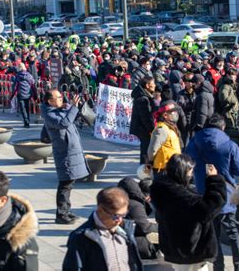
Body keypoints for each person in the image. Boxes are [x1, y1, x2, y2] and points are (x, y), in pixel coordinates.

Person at [186, 114, 239, 271]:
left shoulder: (194, 142)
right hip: (226, 192)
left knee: (212, 234)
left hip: (203, 192)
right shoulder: (230, 144)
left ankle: (218, 267)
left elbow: (186, 163)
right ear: (223, 127)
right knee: (234, 232)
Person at [150, 154, 227, 271]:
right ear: (183, 171)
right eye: (190, 170)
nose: (191, 174)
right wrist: (214, 180)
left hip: (175, 249)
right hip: (191, 251)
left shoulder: (162, 190)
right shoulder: (185, 199)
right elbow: (212, 206)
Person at [62, 187, 143, 271]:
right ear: (100, 210)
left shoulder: (126, 229)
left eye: (123, 215)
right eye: (116, 216)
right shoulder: (81, 237)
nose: (120, 220)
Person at [42, 89, 90, 224]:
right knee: (65, 183)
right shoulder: (49, 114)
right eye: (58, 98)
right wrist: (73, 107)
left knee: (69, 183)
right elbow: (64, 122)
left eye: (61, 97)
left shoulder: (57, 109)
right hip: (64, 153)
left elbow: (70, 117)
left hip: (70, 151)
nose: (61, 99)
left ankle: (66, 211)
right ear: (50, 101)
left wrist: (69, 106)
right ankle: (61, 214)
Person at [118, 177, 159, 259]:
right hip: (124, 242)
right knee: (157, 238)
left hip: (121, 236)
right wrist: (162, 227)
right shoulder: (135, 205)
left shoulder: (126, 200)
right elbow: (144, 228)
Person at [147, 100, 182, 176]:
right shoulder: (162, 129)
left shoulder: (171, 127)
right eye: (173, 112)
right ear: (165, 115)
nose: (175, 114)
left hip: (171, 167)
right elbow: (152, 149)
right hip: (162, 169)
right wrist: (150, 162)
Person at [130, 76, 157, 164]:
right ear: (147, 85)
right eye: (153, 84)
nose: (155, 85)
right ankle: (144, 170)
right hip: (143, 129)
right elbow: (146, 117)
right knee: (146, 150)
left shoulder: (145, 96)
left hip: (142, 128)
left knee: (145, 149)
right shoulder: (143, 99)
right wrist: (152, 130)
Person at [12, 63, 36, 128]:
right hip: (28, 94)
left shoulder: (18, 76)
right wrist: (35, 94)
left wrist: (12, 95)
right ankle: (28, 120)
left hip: (21, 94)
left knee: (23, 109)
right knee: (27, 107)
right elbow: (33, 85)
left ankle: (26, 122)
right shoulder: (29, 75)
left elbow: (15, 87)